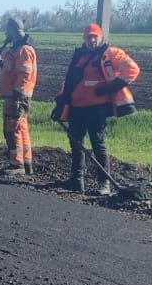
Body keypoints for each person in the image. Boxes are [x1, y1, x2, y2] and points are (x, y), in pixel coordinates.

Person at [52, 22, 139, 195]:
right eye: (88, 37)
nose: (92, 40)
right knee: (76, 143)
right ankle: (76, 181)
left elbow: (132, 69)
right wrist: (60, 105)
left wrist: (111, 88)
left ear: (100, 37)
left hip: (97, 108)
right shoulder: (79, 56)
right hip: (76, 107)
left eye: (95, 37)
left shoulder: (110, 53)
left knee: (98, 144)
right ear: (84, 39)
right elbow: (70, 82)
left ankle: (104, 184)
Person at [0, 16, 37, 176]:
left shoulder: (24, 50)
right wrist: (0, 63)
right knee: (20, 129)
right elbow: (12, 71)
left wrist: (17, 96)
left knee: (11, 130)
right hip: (13, 95)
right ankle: (25, 164)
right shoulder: (15, 49)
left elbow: (25, 75)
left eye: (7, 30)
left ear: (12, 31)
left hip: (17, 97)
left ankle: (17, 164)